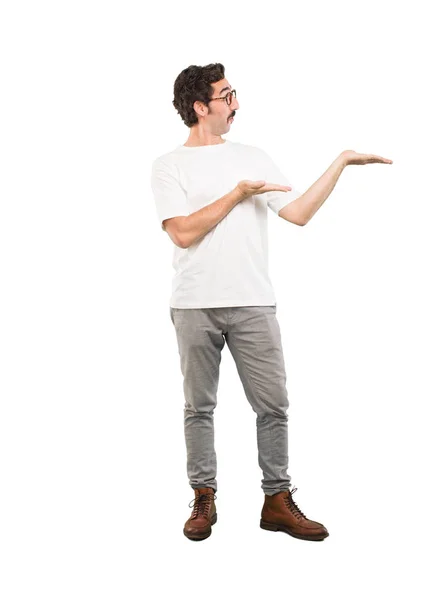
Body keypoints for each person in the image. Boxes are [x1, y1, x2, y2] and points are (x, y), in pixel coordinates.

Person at [150, 63, 393, 542]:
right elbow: (181, 233)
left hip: (253, 303)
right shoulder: (168, 165)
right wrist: (237, 194)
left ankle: (277, 501)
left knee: (274, 405)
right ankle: (204, 497)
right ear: (201, 107)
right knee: (198, 407)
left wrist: (340, 162)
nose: (236, 103)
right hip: (194, 303)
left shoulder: (253, 155)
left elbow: (298, 213)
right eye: (227, 95)